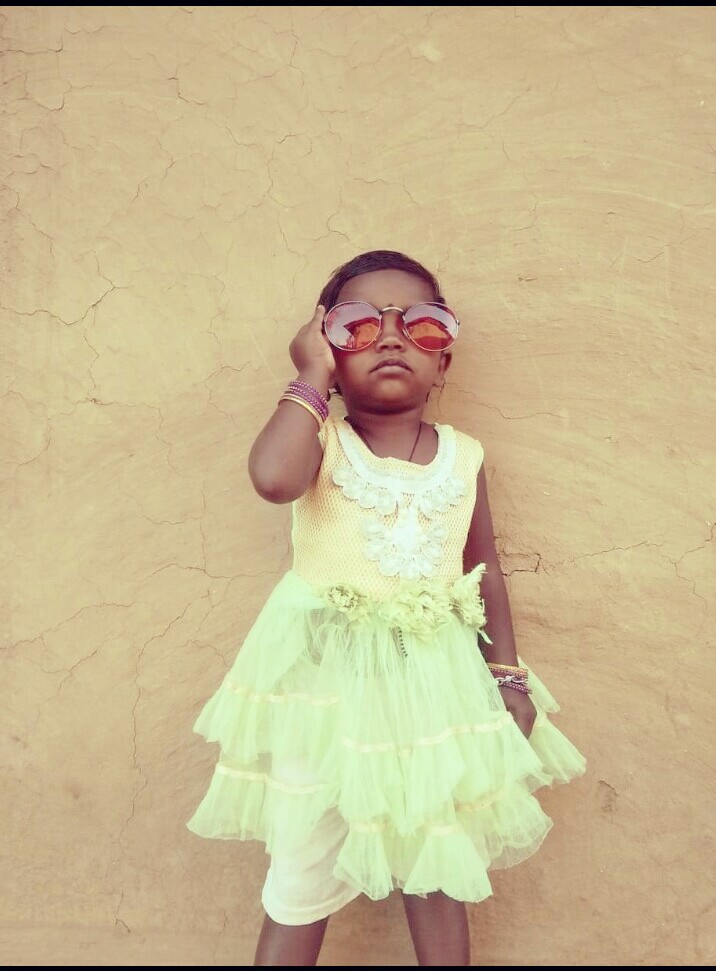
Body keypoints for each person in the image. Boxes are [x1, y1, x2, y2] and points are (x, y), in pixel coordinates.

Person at [187, 250, 586, 967]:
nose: (393, 336)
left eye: (421, 324)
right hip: (325, 703)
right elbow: (273, 480)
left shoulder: (463, 457)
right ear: (328, 351)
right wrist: (309, 377)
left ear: (444, 362)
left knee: (436, 858)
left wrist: (507, 673)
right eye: (358, 325)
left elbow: (484, 569)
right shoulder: (322, 444)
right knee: (303, 865)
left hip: (434, 696)